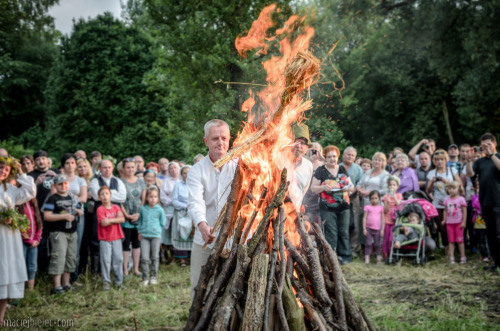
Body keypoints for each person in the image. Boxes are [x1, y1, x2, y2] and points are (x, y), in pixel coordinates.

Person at [187, 119, 238, 300]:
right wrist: (202, 225)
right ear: (205, 141)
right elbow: (195, 201)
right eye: (215, 138)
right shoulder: (196, 171)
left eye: (224, 138)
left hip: (235, 240)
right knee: (200, 286)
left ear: (230, 139)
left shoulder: (239, 166)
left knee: (231, 288)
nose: (220, 142)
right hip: (205, 238)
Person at [0, 156, 36, 325]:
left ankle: (0, 318)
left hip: (8, 237)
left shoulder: (10, 190)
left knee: (6, 272)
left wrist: (21, 172)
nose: (3, 171)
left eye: (6, 170)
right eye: (0, 167)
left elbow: (30, 192)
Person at [310, 145, 355, 264]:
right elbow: (313, 188)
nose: (332, 159)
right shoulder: (321, 170)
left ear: (338, 157)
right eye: (329, 157)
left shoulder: (342, 169)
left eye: (334, 156)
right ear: (325, 157)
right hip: (328, 208)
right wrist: (323, 187)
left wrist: (349, 188)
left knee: (344, 231)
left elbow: (351, 185)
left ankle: (345, 256)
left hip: (344, 206)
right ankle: (332, 257)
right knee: (331, 232)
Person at [43, 174, 83, 295]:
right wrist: (63, 216)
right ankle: (57, 286)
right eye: (60, 184)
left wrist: (79, 212)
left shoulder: (73, 197)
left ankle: (66, 284)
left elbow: (80, 209)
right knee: (58, 257)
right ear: (55, 185)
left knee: (71, 257)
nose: (63, 186)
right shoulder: (52, 198)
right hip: (58, 232)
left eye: (65, 183)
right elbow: (47, 216)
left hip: (72, 231)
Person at [466, 133, 500, 271]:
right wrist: (469, 161)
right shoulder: (480, 162)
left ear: (495, 144)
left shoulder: (497, 157)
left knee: (499, 234)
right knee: (491, 235)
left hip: (498, 202)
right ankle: (497, 263)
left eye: (488, 144)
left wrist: (491, 154)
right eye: (483, 145)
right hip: (484, 202)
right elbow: (470, 175)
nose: (485, 147)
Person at [53, 154, 88, 285]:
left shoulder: (80, 180)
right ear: (63, 165)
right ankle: (59, 279)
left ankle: (73, 278)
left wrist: (65, 196)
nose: (70, 165)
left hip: (77, 217)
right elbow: (54, 196)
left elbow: (84, 198)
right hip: (61, 216)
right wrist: (74, 197)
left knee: (75, 248)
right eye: (67, 163)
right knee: (61, 248)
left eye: (73, 163)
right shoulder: (58, 179)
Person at [89, 160, 126, 275]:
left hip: (115, 214)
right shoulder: (95, 181)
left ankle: (114, 271)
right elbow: (95, 196)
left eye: (109, 167)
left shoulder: (118, 181)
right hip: (99, 213)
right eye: (104, 167)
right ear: (100, 168)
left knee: (116, 239)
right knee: (97, 239)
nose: (107, 170)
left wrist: (105, 194)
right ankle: (97, 271)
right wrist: (114, 193)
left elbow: (123, 196)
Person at [28, 150, 59, 273]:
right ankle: (42, 270)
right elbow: (27, 195)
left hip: (55, 212)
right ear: (35, 162)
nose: (41, 161)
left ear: (47, 160)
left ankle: (55, 269)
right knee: (41, 241)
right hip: (38, 213)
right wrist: (35, 184)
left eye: (43, 159)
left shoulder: (56, 171)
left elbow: (65, 187)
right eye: (38, 160)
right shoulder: (31, 175)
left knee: (55, 241)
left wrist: (56, 177)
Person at [427, 149, 463, 253]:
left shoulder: (452, 170)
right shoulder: (431, 173)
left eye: (441, 159)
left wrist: (449, 182)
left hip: (453, 204)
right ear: (434, 161)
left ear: (445, 160)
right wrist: (432, 183)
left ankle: (456, 246)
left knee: (453, 225)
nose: (439, 162)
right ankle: (447, 248)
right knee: (442, 227)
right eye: (437, 160)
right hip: (438, 204)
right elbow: (428, 191)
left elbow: (460, 185)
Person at [120, 158, 146, 277]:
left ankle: (136, 268)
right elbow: (119, 201)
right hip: (125, 217)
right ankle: (125, 269)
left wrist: (139, 214)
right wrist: (126, 215)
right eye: (128, 167)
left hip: (138, 216)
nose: (130, 169)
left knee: (137, 243)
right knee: (126, 244)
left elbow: (144, 199)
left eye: (132, 167)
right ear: (123, 169)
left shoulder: (141, 181)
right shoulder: (120, 182)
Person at [96, 186, 125, 290]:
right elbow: (103, 223)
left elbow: (122, 219)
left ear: (110, 196)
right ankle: (106, 282)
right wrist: (115, 219)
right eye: (102, 194)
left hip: (117, 237)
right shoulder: (100, 209)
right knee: (106, 260)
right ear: (99, 197)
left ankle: (119, 282)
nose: (105, 196)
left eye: (106, 194)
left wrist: (110, 220)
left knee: (118, 259)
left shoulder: (116, 207)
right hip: (105, 238)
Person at [138, 187, 166, 286]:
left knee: (155, 257)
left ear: (158, 198)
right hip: (145, 236)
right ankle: (145, 277)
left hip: (155, 236)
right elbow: (140, 221)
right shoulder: (142, 209)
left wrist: (157, 230)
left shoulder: (160, 210)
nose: (153, 199)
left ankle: (153, 276)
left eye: (155, 197)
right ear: (146, 198)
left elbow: (163, 222)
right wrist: (139, 231)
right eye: (151, 197)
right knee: (145, 258)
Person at [339, 146, 364, 257]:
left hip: (354, 198)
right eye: (348, 154)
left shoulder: (358, 169)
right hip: (339, 199)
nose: (350, 157)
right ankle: (342, 249)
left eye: (352, 155)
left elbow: (361, 183)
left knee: (355, 224)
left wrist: (354, 189)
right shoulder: (337, 167)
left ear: (355, 157)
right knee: (342, 223)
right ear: (343, 155)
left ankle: (354, 250)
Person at [172, 165, 193, 267]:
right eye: (184, 173)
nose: (187, 175)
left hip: (192, 213)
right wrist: (185, 206)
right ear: (181, 175)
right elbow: (174, 201)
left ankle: (192, 258)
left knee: (191, 235)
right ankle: (182, 259)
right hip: (180, 213)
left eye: (189, 173)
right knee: (180, 234)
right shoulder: (178, 185)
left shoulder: (195, 184)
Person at [160, 161, 181, 264]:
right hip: (169, 210)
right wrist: (174, 201)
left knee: (177, 232)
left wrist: (176, 201)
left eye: (175, 168)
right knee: (168, 233)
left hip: (180, 210)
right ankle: (169, 256)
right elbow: (163, 197)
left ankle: (180, 256)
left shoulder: (182, 180)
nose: (173, 170)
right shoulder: (166, 181)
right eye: (171, 168)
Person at [76, 158, 94, 276]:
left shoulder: (93, 181)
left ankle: (89, 267)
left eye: (85, 166)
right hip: (79, 212)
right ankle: (80, 268)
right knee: (80, 240)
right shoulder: (75, 180)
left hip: (91, 213)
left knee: (89, 240)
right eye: (80, 166)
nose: (83, 168)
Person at [289, 123, 313, 211]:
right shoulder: (278, 159)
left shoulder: (308, 165)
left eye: (302, 143)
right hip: (274, 211)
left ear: (307, 147)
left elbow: (303, 190)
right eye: (295, 141)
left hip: (294, 213)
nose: (298, 146)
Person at [19, 197, 42, 291]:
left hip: (34, 242)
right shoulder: (18, 206)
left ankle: (30, 291)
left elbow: (39, 224)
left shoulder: (34, 205)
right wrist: (29, 240)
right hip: (23, 242)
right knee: (21, 265)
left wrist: (37, 239)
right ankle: (19, 292)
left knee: (32, 266)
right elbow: (19, 226)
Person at [442, 181, 467, 264]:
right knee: (451, 241)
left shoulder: (461, 199)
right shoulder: (446, 200)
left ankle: (463, 256)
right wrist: (444, 220)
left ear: (458, 189)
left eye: (453, 188)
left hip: (459, 223)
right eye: (449, 188)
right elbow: (445, 211)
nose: (451, 190)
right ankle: (451, 257)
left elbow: (464, 211)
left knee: (460, 241)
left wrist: (463, 221)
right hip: (449, 223)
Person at [381, 176, 403, 259]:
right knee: (385, 239)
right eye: (390, 185)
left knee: (391, 239)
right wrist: (387, 202)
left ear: (397, 186)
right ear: (388, 186)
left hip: (395, 221)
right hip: (387, 220)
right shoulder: (386, 196)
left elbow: (398, 205)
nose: (392, 187)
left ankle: (391, 254)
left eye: (394, 185)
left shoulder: (399, 195)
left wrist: (394, 196)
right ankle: (385, 255)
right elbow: (385, 210)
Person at [303, 142, 325, 223]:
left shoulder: (323, 164)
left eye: (316, 151)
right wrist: (309, 159)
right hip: (307, 197)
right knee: (307, 223)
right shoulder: (305, 163)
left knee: (320, 224)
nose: (314, 153)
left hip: (319, 198)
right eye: (312, 150)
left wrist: (322, 158)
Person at [362, 190, 385, 264]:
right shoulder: (367, 207)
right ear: (369, 199)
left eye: (376, 198)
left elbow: (383, 219)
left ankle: (378, 258)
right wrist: (364, 228)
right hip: (369, 229)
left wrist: (382, 230)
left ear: (379, 199)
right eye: (372, 198)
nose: (374, 200)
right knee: (368, 243)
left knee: (377, 244)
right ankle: (367, 258)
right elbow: (364, 218)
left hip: (377, 229)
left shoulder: (381, 208)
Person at [471, 181, 490, 262]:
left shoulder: (490, 193)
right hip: (479, 218)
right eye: (478, 185)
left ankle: (493, 253)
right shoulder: (474, 196)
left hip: (489, 217)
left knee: (491, 236)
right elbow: (475, 206)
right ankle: (485, 254)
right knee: (481, 237)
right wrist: (479, 196)